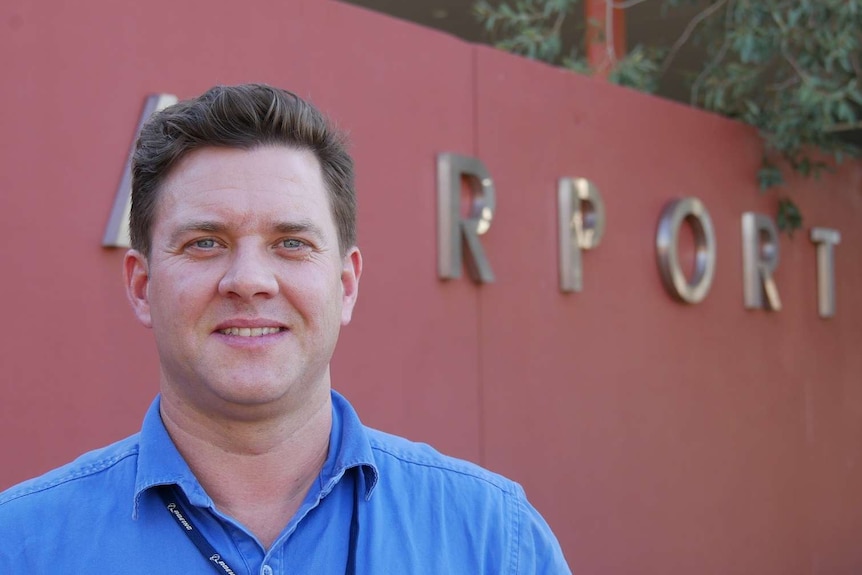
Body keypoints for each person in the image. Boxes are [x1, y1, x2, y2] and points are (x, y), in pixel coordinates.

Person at [0, 84, 571, 573]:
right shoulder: (22, 547)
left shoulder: (494, 541)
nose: (249, 281)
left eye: (291, 244)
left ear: (345, 285)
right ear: (141, 285)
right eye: (205, 243)